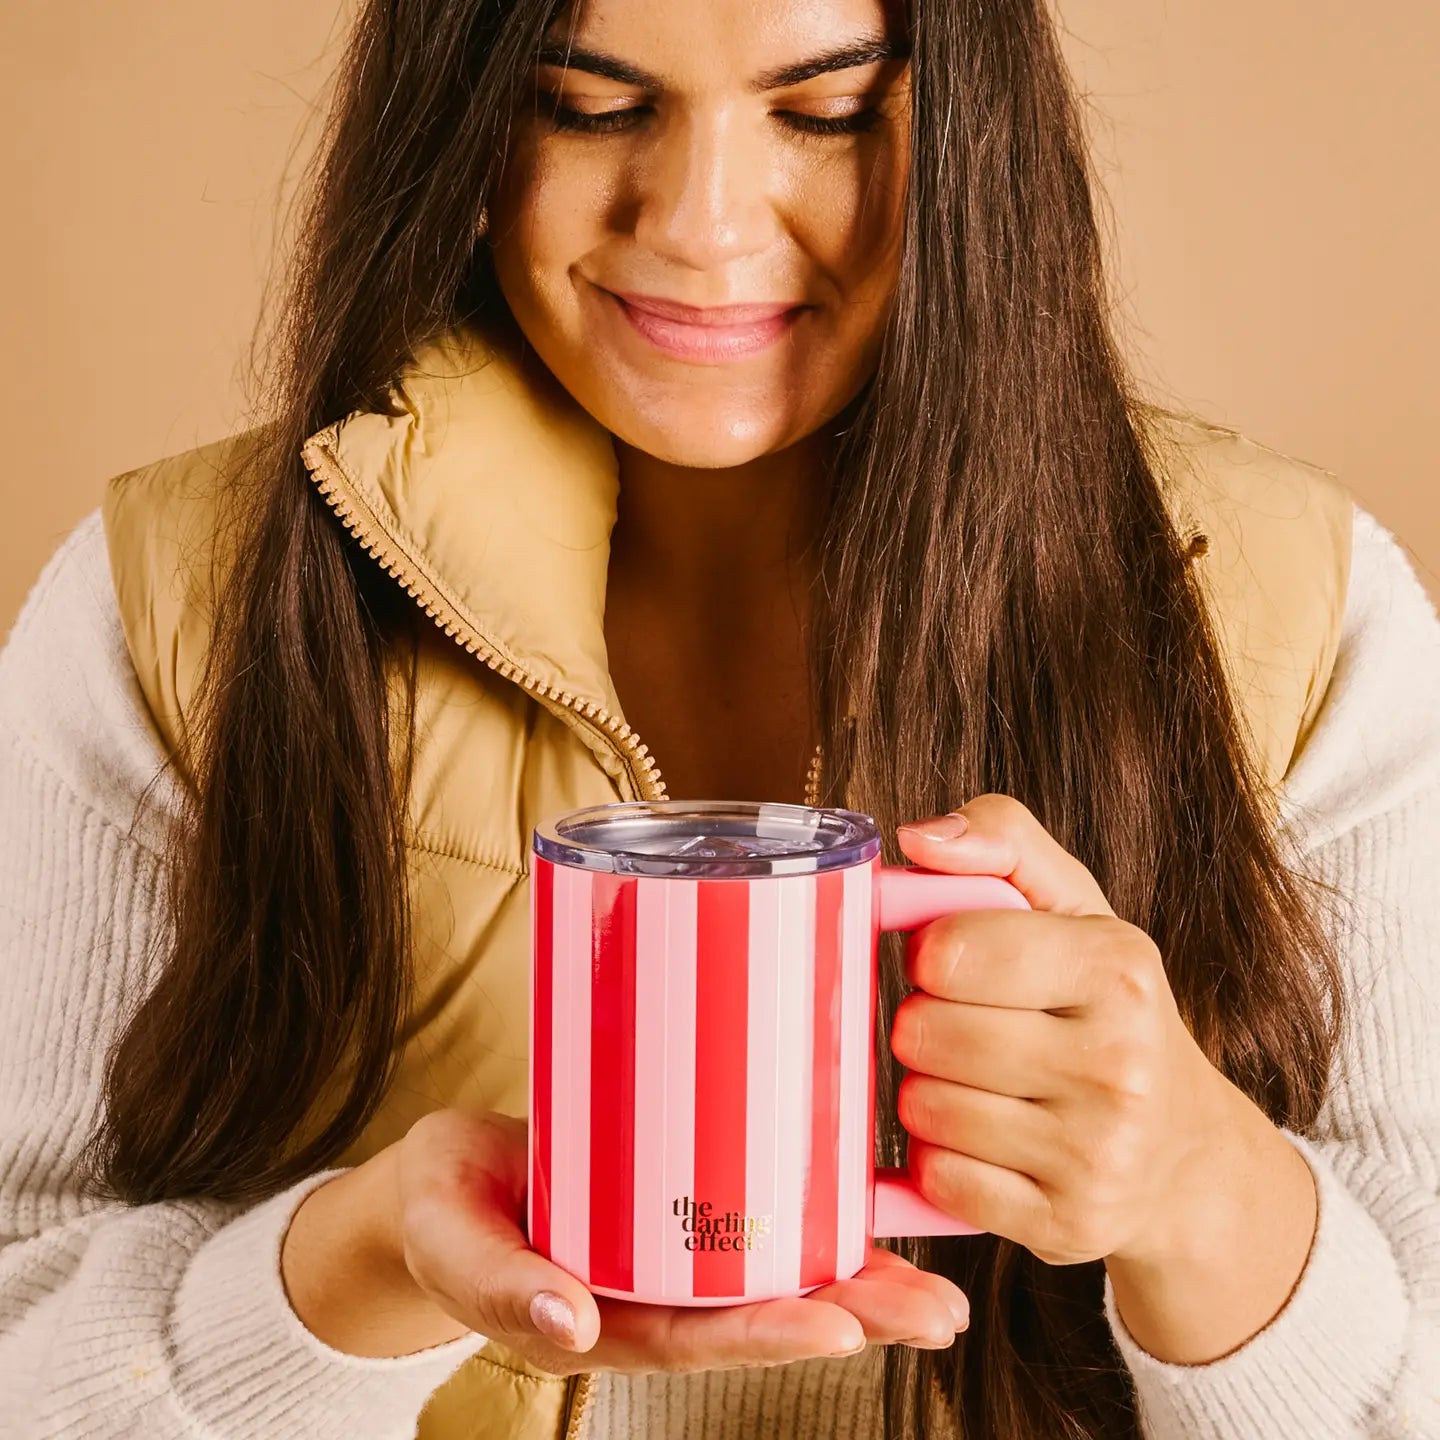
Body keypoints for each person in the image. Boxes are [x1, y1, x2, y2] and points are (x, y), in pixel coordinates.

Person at [1, 0, 1436, 1436]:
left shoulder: (1291, 608)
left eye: (819, 112)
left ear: (973, 132)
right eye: (590, 104)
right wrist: (353, 1272)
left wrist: (1205, 1193)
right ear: (460, 122)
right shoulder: (176, 599)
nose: (700, 224)